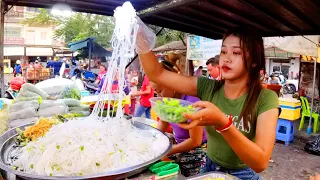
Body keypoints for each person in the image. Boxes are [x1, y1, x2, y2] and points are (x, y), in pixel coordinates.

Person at [135, 19, 279, 180]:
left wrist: (223, 123)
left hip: (242, 174)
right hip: (209, 168)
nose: (226, 58)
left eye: (236, 53)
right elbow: (157, 74)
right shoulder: (208, 87)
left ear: (253, 62)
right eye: (224, 52)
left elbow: (260, 163)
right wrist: (139, 36)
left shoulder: (265, 98)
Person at [150, 60, 207, 177]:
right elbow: (163, 123)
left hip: (197, 152)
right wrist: (153, 142)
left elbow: (195, 141)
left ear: (172, 85)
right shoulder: (169, 100)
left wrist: (167, 151)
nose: (159, 96)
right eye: (156, 93)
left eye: (160, 91)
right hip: (179, 146)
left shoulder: (192, 101)